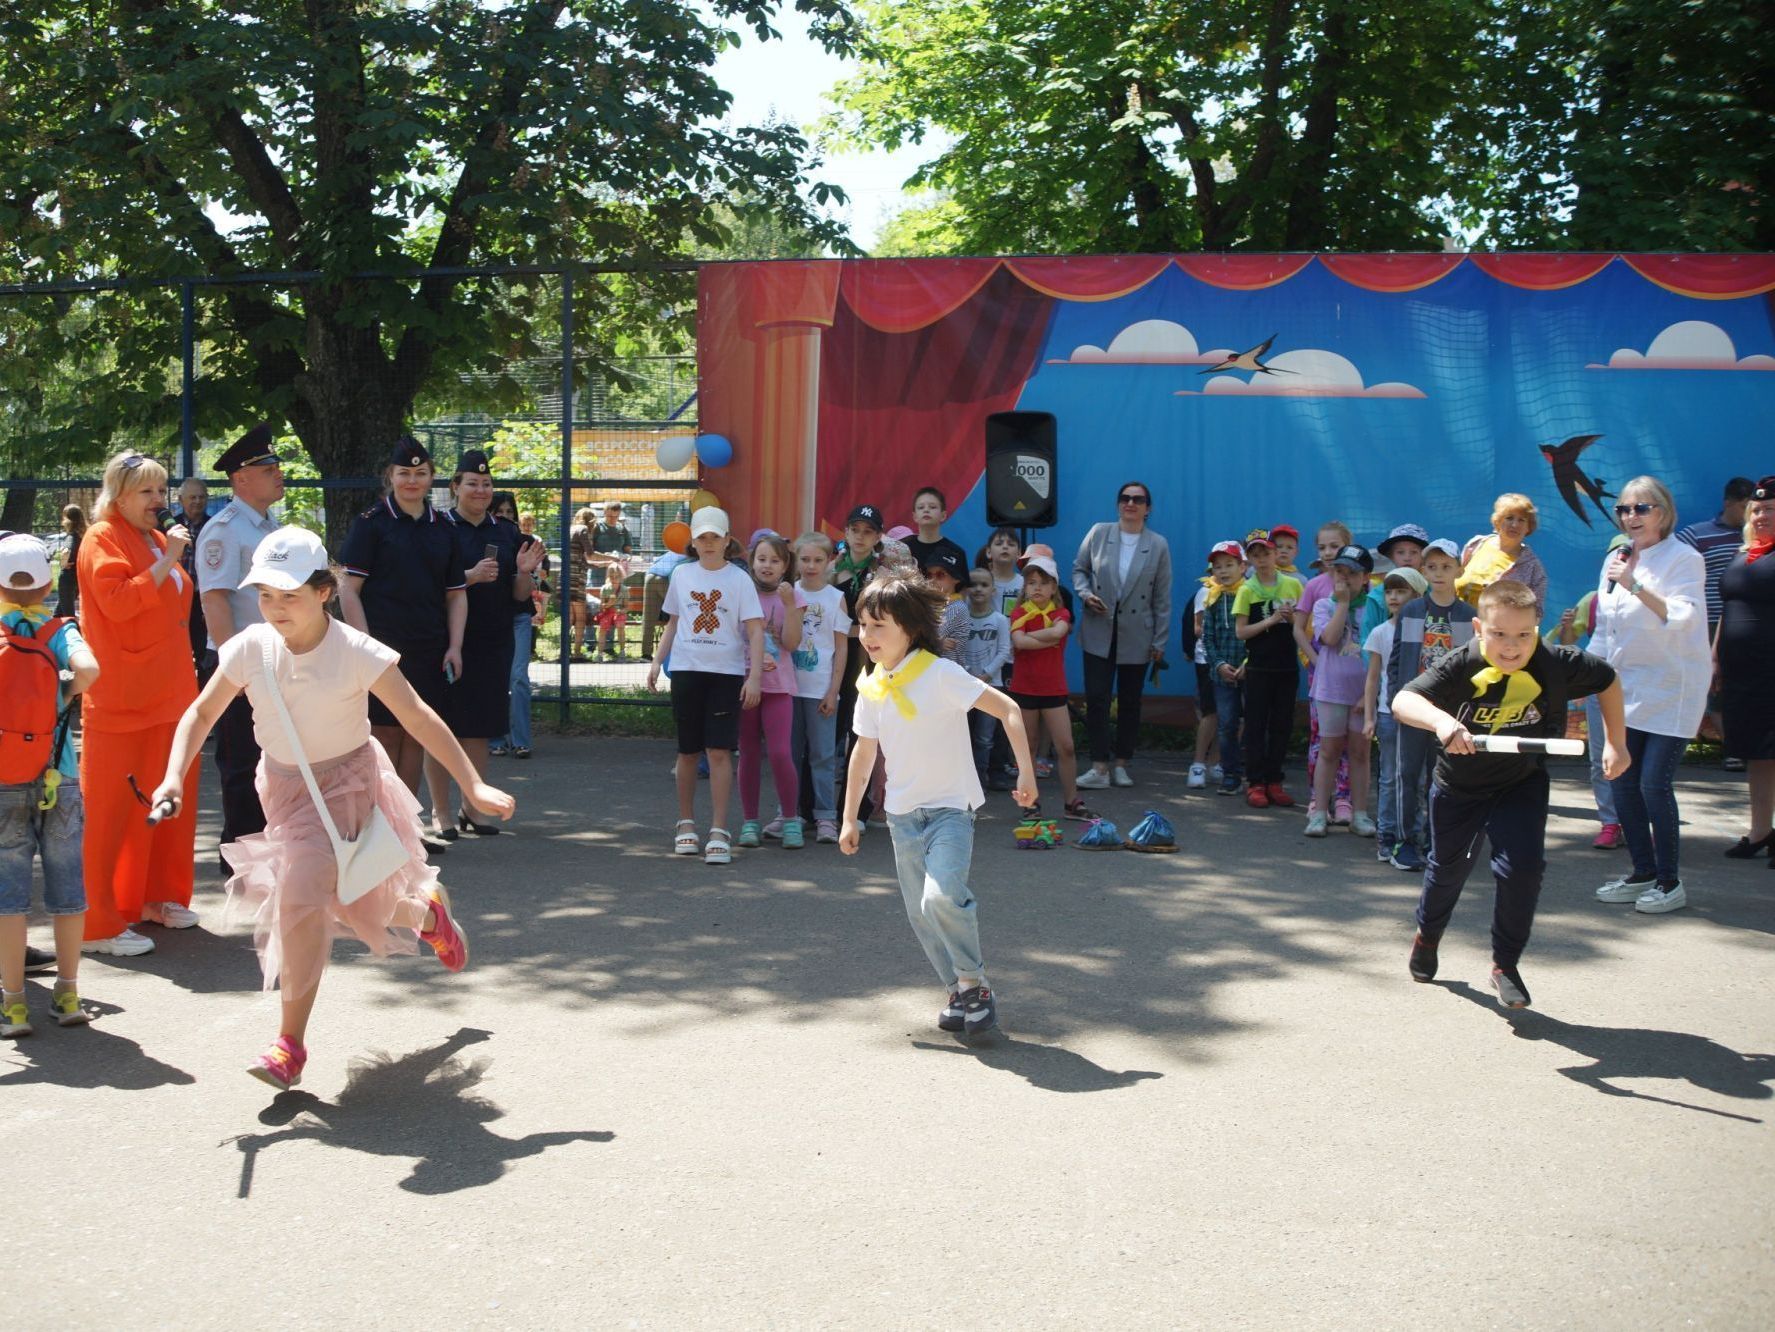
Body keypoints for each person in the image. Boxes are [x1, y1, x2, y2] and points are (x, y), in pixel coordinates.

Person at [151, 526, 508, 1091]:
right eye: (265, 595)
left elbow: (417, 717)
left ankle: (288, 1045)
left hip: (346, 786)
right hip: (286, 790)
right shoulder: (250, 648)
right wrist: (172, 776)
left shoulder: (356, 651)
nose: (274, 608)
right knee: (353, 903)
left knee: (303, 896)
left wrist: (472, 786)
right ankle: (425, 916)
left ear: (324, 591)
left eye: (288, 596)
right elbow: (199, 715)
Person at [1394, 578, 1627, 1009]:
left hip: (1520, 781)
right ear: (1480, 628)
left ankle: (1505, 964)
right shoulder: (1459, 664)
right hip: (1459, 786)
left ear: (1537, 627)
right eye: (1499, 634)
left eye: (1523, 635)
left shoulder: (1555, 662)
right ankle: (1427, 935)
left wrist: (1617, 742)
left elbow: (1608, 680)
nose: (1511, 646)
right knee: (1446, 869)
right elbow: (1404, 701)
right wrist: (1443, 723)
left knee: (1523, 868)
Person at [840, 574, 1037, 1038]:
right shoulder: (871, 686)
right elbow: (863, 753)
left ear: (909, 627)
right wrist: (849, 817)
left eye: (878, 626)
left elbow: (1008, 709)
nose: (867, 636)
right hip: (902, 818)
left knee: (940, 896)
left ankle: (976, 984)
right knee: (920, 913)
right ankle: (957, 990)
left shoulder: (941, 674)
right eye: (862, 625)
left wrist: (1026, 771)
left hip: (951, 809)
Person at [75, 450, 202, 956]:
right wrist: (170, 559)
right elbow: (119, 602)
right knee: (109, 813)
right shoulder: (100, 538)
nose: (159, 500)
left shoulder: (153, 538)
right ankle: (97, 924)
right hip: (122, 698)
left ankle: (158, 897)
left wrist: (165, 554)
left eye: (161, 490)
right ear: (118, 495)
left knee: (168, 802)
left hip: (169, 693)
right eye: (147, 491)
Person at [338, 437, 468, 854]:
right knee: (383, 737)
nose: (412, 480)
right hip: (382, 650)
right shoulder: (372, 523)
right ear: (389, 477)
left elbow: (456, 593)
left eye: (420, 473)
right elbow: (348, 588)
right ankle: (376, 828)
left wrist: (455, 646)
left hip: (430, 648)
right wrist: (364, 646)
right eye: (404, 473)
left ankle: (405, 826)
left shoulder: (444, 528)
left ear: (432, 479)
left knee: (417, 737)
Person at [1591, 476, 1711, 915]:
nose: (1630, 517)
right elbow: (1605, 628)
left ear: (1663, 512)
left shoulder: (1685, 559)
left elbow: (1681, 618)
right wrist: (1585, 676)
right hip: (1625, 686)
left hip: (1671, 686)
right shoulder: (1616, 558)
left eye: (1641, 508)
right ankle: (1641, 872)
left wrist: (1635, 584)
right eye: (1623, 509)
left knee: (1652, 784)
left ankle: (1669, 881)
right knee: (1621, 781)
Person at [0, 533, 99, 1037]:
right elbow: (89, 671)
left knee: (9, 896)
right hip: (58, 775)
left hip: (3, 779)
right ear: (45, 582)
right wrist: (59, 693)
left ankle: (13, 1004)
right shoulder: (62, 629)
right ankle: (67, 992)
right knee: (67, 888)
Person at [430, 450, 542, 839]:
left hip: (493, 639)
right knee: (441, 726)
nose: (480, 490)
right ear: (455, 488)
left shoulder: (506, 532)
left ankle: (473, 808)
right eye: (472, 483)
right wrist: (470, 577)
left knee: (479, 727)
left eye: (486, 484)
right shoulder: (438, 528)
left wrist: (525, 574)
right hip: (446, 641)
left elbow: (518, 594)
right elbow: (428, 585)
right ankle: (441, 811)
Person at [648, 507, 763, 865]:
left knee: (718, 751)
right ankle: (685, 824)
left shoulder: (740, 579)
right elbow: (672, 623)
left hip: (725, 674)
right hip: (686, 670)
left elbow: (755, 629)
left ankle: (718, 829)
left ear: (727, 540)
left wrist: (754, 675)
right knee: (687, 751)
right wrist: (656, 661)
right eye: (703, 537)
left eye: (716, 537)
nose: (709, 543)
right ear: (693, 542)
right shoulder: (682, 576)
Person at [195, 425, 285, 870]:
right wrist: (235, 672)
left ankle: (269, 851)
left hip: (274, 661)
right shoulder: (224, 531)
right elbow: (215, 601)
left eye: (276, 466)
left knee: (277, 760)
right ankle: (242, 859)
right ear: (241, 478)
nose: (279, 473)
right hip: (239, 663)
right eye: (269, 468)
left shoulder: (269, 526)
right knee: (242, 765)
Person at [1071, 479, 1172, 790]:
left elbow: (1162, 598)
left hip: (1137, 634)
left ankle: (1122, 764)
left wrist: (1159, 641)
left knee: (1130, 702)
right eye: (1125, 498)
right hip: (1099, 629)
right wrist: (1086, 595)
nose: (1131, 503)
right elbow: (1079, 569)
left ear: (1148, 508)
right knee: (1097, 698)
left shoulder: (1157, 545)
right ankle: (1099, 766)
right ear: (1118, 504)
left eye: (1138, 500)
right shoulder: (1099, 533)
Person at [1386, 538, 1479, 871]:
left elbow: (1474, 667)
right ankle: (1403, 842)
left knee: (1441, 780)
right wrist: (1395, 700)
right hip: (1412, 710)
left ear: (1459, 569)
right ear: (1422, 570)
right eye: (1432, 567)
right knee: (1407, 775)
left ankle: (1435, 843)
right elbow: (1397, 660)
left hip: (1448, 715)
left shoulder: (1469, 616)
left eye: (1446, 566)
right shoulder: (1412, 610)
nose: (1439, 573)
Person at [1547, 534, 1631, 851]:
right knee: (1601, 758)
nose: (1619, 562)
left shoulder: (1648, 594)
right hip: (1601, 689)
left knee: (1635, 759)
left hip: (1641, 691)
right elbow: (1568, 643)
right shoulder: (1593, 600)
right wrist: (1568, 626)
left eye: (1627, 556)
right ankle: (1610, 823)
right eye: (1615, 557)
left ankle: (1638, 822)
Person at [1715, 476, 1775, 864]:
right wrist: (1715, 656)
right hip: (1741, 673)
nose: (1761, 515)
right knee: (1757, 754)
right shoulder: (1742, 554)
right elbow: (1727, 610)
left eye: (1770, 509)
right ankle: (1760, 831)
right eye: (1756, 509)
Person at [1677, 476, 1755, 769]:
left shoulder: (1756, 539)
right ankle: (1732, 748)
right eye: (1745, 507)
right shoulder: (1696, 535)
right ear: (1728, 503)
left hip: (1748, 624)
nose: (1751, 515)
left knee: (1743, 686)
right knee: (1713, 686)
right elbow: (1671, 565)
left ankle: (1746, 746)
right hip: (1705, 623)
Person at [1009, 553, 1091, 822]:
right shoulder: (1019, 613)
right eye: (1031, 582)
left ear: (1054, 587)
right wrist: (1038, 639)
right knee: (1028, 747)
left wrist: (1029, 638)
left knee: (1066, 746)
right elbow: (1019, 643)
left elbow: (1058, 633)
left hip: (1054, 689)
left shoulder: (1061, 613)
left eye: (1044, 583)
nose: (1037, 588)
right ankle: (1030, 803)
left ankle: (1071, 802)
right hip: (1025, 689)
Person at [736, 533, 806, 850]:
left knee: (780, 753)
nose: (767, 565)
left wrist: (790, 606)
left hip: (779, 688)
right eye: (762, 559)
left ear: (785, 565)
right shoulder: (740, 593)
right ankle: (750, 821)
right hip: (744, 684)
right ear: (752, 561)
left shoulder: (793, 597)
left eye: (775, 560)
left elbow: (791, 644)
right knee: (748, 753)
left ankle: (790, 820)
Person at [1305, 546, 1377, 838]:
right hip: (1330, 690)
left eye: (1352, 573)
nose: (1344, 579)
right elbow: (1330, 639)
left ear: (1366, 577)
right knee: (1329, 750)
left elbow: (1379, 652)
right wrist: (1343, 605)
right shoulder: (1324, 605)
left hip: (1363, 692)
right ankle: (1320, 813)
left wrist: (1370, 695)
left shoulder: (1375, 606)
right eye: (1339, 572)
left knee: (1360, 753)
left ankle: (1359, 814)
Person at [1233, 530, 1304, 808]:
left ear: (1276, 554)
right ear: (1248, 559)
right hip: (1259, 669)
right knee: (1255, 726)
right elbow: (1241, 632)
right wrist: (1272, 620)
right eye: (1255, 555)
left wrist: (1292, 619)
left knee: (1281, 726)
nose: (1262, 559)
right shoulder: (1246, 590)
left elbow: (1302, 625)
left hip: (1287, 668)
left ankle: (1275, 780)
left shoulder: (1293, 586)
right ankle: (1255, 782)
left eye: (1266, 553)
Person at [790, 532, 850, 844]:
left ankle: (826, 816)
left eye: (818, 560)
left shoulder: (834, 598)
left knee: (823, 755)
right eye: (805, 559)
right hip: (789, 690)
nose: (811, 565)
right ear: (796, 559)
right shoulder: (789, 593)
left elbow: (841, 648)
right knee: (789, 754)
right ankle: (789, 815)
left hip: (821, 691)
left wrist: (832, 691)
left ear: (829, 561)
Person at [1293, 521, 1355, 822]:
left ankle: (1345, 798)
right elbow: (1298, 629)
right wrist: (1316, 661)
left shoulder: (1359, 584)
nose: (1328, 553)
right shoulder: (1314, 586)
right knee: (1322, 738)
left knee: (1350, 738)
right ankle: (1319, 799)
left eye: (1335, 546)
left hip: (1352, 674)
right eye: (1322, 547)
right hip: (1321, 674)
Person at [1363, 567, 1425, 859]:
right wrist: (1369, 717)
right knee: (1389, 777)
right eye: (1389, 591)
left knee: (1417, 777)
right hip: (1388, 715)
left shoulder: (1426, 631)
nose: (1394, 597)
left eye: (1402, 591)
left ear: (1416, 596)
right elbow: (1373, 678)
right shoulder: (1380, 632)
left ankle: (1414, 833)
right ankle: (1386, 835)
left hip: (1420, 716)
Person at [490, 492, 545, 760]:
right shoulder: (483, 540)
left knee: (519, 677)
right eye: (499, 512)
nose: (505, 517)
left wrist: (527, 572)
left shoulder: (526, 542)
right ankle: (495, 738)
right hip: (492, 618)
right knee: (495, 678)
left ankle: (522, 740)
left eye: (510, 512)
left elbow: (532, 585)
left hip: (520, 617)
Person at [1199, 540, 1248, 797]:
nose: (1224, 571)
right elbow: (1207, 638)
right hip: (1222, 674)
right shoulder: (1213, 598)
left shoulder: (1252, 593)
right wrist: (1219, 665)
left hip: (1250, 671)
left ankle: (1256, 774)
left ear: (1243, 566)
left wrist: (1246, 664)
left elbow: (1259, 635)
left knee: (1255, 722)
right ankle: (1230, 774)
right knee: (1227, 724)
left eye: (1229, 565)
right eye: (1218, 567)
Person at [957, 566, 1013, 790]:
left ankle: (981, 779)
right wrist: (969, 672)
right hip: (964, 685)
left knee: (985, 737)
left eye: (984, 584)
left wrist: (987, 673)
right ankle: (965, 781)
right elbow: (958, 648)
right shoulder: (960, 617)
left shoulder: (1000, 620)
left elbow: (1005, 651)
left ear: (993, 590)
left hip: (992, 685)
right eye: (973, 584)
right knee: (963, 734)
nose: (978, 589)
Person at [1456, 493, 1548, 614]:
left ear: (1528, 527)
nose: (1515, 525)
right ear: (1498, 521)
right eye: (1509, 518)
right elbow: (1454, 576)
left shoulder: (1533, 568)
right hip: (1454, 625)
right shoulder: (1476, 544)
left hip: (1492, 632)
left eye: (1521, 520)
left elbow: (1536, 614)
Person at [174, 474, 212, 673]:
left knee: (202, 648)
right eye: (192, 497)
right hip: (174, 599)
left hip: (202, 598)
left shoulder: (215, 526)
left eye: (201, 497)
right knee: (175, 649)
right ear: (181, 500)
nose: (197, 501)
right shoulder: (168, 527)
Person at [903, 486, 967, 575]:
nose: (926, 510)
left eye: (932, 507)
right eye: (921, 507)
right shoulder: (903, 548)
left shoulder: (955, 552)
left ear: (943, 515)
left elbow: (961, 588)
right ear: (915, 516)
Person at [567, 506, 597, 659]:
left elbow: (582, 557)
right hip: (577, 578)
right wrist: (613, 559)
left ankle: (564, 650)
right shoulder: (584, 529)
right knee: (580, 618)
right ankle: (577, 652)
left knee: (568, 617)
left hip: (564, 577)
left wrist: (602, 564)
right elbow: (590, 554)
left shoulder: (571, 529)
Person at [977, 526, 1024, 617]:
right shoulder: (977, 582)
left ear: (1019, 554)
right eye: (999, 544)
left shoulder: (1024, 583)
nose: (1005, 547)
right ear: (989, 552)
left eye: (1011, 544)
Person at [55, 505, 86, 618]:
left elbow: (67, 551)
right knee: (59, 613)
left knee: (67, 614)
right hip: (77, 578)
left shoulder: (71, 536)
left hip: (67, 579)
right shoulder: (84, 536)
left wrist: (62, 562)